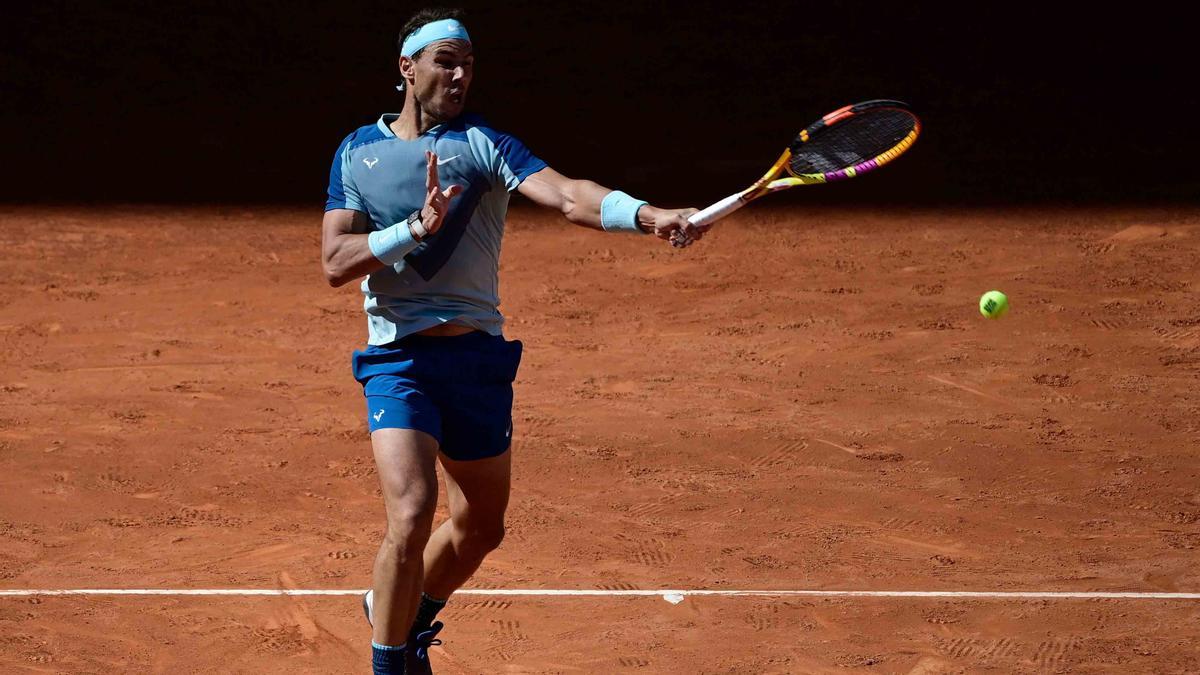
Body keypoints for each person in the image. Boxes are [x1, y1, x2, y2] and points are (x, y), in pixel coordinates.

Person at [320, 8, 705, 674]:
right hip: (400, 361)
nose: (460, 74)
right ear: (406, 68)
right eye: (445, 60)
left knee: (482, 527)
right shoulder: (359, 151)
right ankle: (391, 661)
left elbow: (567, 196)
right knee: (411, 511)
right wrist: (413, 228)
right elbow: (336, 259)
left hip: (476, 364)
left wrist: (645, 215)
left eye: (467, 63)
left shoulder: (486, 145)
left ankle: (399, 612)